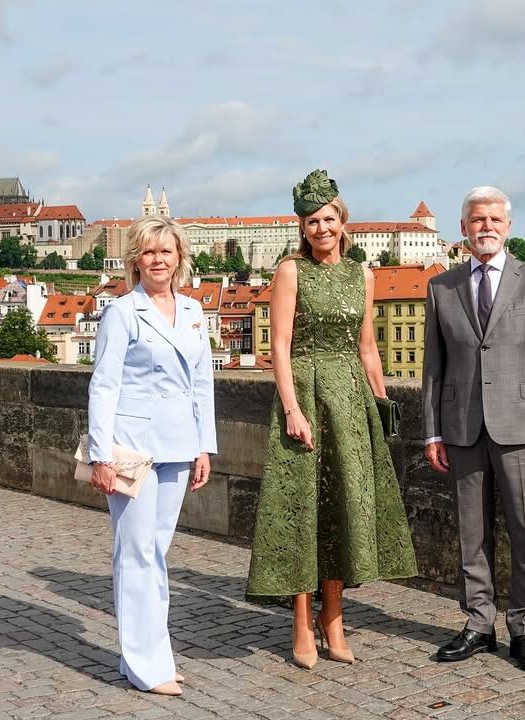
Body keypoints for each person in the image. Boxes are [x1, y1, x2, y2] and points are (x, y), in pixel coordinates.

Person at [246, 169, 418, 669]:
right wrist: (292, 410)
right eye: (310, 222)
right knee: (304, 509)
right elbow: (278, 347)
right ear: (301, 228)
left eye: (327, 219)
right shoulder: (290, 271)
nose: (319, 229)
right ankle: (301, 620)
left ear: (342, 222)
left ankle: (334, 618)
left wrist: (381, 404)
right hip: (304, 391)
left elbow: (368, 347)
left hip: (350, 400)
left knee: (346, 508)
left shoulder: (363, 275)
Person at [421, 186, 525, 672]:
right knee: (471, 532)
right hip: (461, 426)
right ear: (462, 228)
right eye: (476, 220)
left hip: (524, 425)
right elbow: (433, 368)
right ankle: (478, 624)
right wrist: (431, 432)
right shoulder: (441, 287)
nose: (486, 227)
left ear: (508, 227)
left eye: (494, 220)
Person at [87, 215, 216, 696]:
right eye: (149, 251)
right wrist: (100, 454)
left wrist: (205, 444)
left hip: (179, 445)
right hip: (131, 447)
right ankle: (146, 664)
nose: (158, 259)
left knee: (154, 554)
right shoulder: (122, 311)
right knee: (137, 553)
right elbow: (104, 384)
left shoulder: (193, 310)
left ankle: (144, 654)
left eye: (166, 251)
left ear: (180, 258)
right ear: (135, 260)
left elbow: (202, 383)